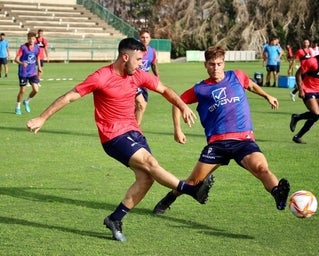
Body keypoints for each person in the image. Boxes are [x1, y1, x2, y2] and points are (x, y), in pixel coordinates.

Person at [26, 38, 213, 242]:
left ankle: (115, 218)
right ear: (125, 57)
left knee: (146, 178)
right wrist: (42, 117)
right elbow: (70, 96)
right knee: (151, 164)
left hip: (134, 132)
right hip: (113, 136)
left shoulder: (138, 75)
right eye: (139, 59)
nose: (142, 63)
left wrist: (183, 106)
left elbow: (165, 90)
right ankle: (190, 189)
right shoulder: (101, 77)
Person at [152, 46, 290, 216]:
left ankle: (278, 193)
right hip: (217, 143)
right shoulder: (200, 89)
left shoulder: (237, 76)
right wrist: (178, 130)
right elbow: (177, 102)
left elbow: (251, 86)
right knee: (194, 182)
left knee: (261, 168)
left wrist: (267, 95)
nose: (215, 68)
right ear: (205, 65)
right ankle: (169, 198)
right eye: (211, 64)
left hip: (243, 139)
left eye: (219, 64)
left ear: (224, 63)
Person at [135, 29, 159, 126]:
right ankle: (135, 130)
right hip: (133, 81)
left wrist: (157, 78)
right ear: (139, 38)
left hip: (143, 83)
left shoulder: (152, 51)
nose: (145, 40)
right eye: (143, 37)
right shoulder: (134, 50)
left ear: (150, 39)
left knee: (141, 107)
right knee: (141, 105)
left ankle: (131, 128)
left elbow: (154, 65)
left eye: (147, 37)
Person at [14, 31, 42, 115]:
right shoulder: (23, 47)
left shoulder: (37, 47)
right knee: (22, 90)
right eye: (29, 39)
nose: (31, 40)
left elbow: (38, 57)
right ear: (27, 39)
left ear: (35, 39)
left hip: (32, 72)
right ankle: (18, 106)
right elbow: (16, 59)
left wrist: (39, 67)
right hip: (23, 72)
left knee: (36, 90)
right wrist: (22, 63)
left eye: (33, 39)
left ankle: (26, 101)